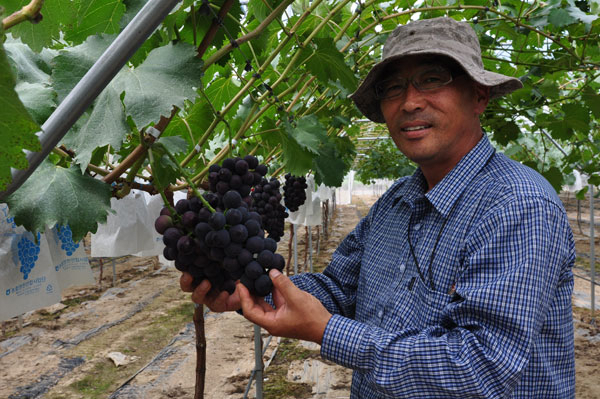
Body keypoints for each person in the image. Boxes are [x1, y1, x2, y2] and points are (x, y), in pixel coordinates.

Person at [181, 17, 575, 398]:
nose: (409, 102)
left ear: (479, 95)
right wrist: (251, 290)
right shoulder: (397, 200)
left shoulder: (518, 206)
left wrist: (327, 331)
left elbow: (479, 368)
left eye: (433, 79)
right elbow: (339, 288)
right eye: (392, 89)